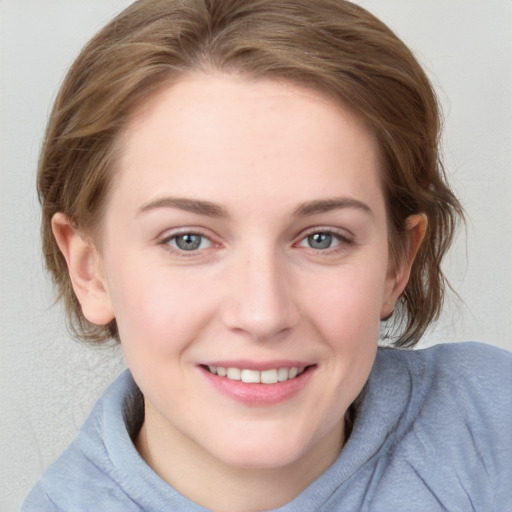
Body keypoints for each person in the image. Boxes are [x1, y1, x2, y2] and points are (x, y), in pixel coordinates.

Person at [20, 0, 512, 510]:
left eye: (322, 238)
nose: (262, 314)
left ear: (396, 262)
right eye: (188, 239)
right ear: (90, 270)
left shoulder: (493, 426)